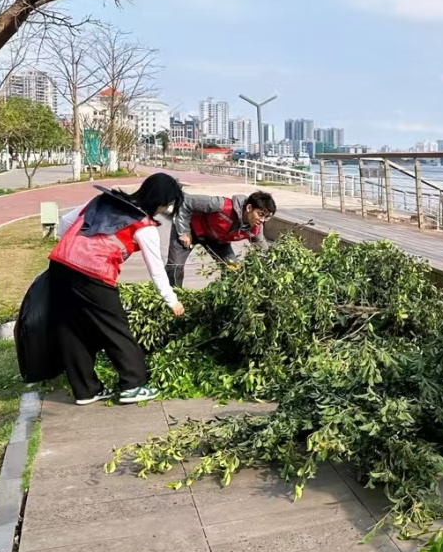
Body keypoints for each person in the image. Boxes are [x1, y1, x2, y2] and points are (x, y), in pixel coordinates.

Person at [48, 172, 186, 406]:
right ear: (160, 201)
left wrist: (74, 247)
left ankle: (85, 390)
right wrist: (171, 300)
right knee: (115, 328)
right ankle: (133, 385)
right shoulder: (144, 224)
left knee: (72, 329)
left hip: (60, 264)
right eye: (167, 204)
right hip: (93, 274)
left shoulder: (103, 200)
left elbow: (64, 223)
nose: (166, 209)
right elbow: (156, 269)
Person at [165, 190, 275, 287]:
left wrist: (274, 263)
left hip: (218, 241)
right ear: (249, 208)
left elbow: (263, 249)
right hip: (192, 229)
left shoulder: (255, 229)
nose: (262, 220)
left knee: (233, 270)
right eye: (260, 214)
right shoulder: (221, 205)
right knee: (175, 268)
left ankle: (221, 303)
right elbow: (185, 201)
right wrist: (183, 231)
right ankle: (172, 302)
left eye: (266, 217)